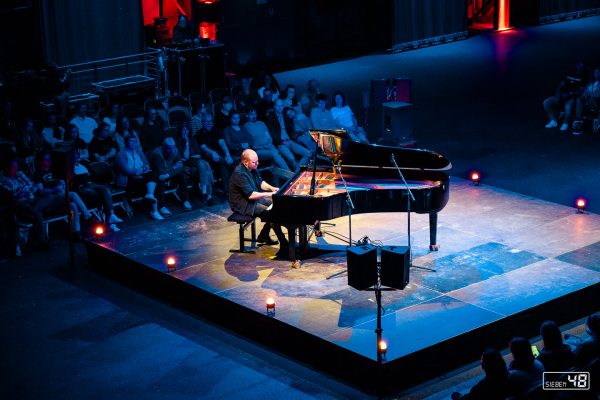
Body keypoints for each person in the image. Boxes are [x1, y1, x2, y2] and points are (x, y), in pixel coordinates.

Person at [228, 149, 288, 255]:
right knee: (272, 213)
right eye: (255, 162)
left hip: (251, 200)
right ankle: (284, 243)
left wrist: (272, 188)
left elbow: (260, 183)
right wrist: (269, 194)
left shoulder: (252, 168)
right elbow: (251, 195)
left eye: (257, 161)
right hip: (243, 205)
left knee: (276, 204)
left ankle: (264, 235)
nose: (257, 164)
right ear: (245, 162)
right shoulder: (240, 174)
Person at [114, 135, 163, 220]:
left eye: (134, 141)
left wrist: (144, 169)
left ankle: (151, 197)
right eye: (131, 141)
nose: (133, 143)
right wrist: (138, 171)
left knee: (154, 176)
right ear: (126, 142)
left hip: (143, 175)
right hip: (129, 179)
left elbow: (147, 164)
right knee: (153, 181)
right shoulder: (120, 154)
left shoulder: (138, 151)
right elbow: (126, 170)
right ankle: (155, 209)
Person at [174, 122, 217, 205]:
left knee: (202, 164)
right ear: (180, 131)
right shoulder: (178, 141)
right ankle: (209, 195)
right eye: (183, 130)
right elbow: (185, 157)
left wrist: (191, 156)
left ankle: (205, 193)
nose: (185, 132)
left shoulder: (192, 139)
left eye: (187, 130)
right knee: (205, 166)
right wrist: (186, 143)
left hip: (195, 162)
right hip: (187, 164)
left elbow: (198, 154)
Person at [451, 348, 517, 400]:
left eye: (482, 361)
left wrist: (458, 397)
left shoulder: (480, 389)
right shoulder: (515, 377)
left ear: (484, 366)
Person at [149, 137, 193, 214]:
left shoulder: (175, 150)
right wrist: (173, 167)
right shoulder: (156, 154)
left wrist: (169, 174)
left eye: (173, 148)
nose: (172, 150)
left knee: (182, 175)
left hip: (169, 174)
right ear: (164, 147)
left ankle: (185, 201)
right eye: (169, 149)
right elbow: (161, 172)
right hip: (157, 176)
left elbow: (180, 166)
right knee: (160, 179)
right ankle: (161, 206)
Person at [266, 99, 311, 171]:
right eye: (278, 106)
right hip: (280, 143)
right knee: (291, 158)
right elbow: (272, 134)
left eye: (281, 106)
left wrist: (301, 134)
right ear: (274, 106)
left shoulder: (285, 116)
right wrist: (282, 142)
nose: (280, 107)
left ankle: (297, 172)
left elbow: (291, 130)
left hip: (290, 140)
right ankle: (297, 174)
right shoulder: (271, 118)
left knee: (308, 153)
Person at [543, 62, 587, 131]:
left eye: (582, 66)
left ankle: (565, 123)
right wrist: (558, 94)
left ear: (584, 68)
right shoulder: (569, 74)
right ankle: (553, 121)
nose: (580, 68)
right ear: (576, 65)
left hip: (572, 97)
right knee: (546, 102)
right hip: (561, 95)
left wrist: (569, 93)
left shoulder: (583, 77)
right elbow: (561, 85)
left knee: (567, 106)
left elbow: (581, 91)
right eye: (579, 65)